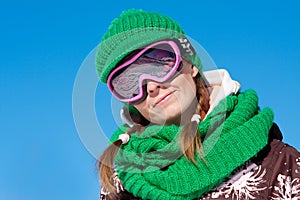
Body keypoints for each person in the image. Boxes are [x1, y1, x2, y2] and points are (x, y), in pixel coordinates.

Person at [95, 9, 300, 200]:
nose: (150, 87)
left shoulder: (280, 164)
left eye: (159, 64)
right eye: (129, 83)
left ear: (191, 63)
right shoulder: (121, 179)